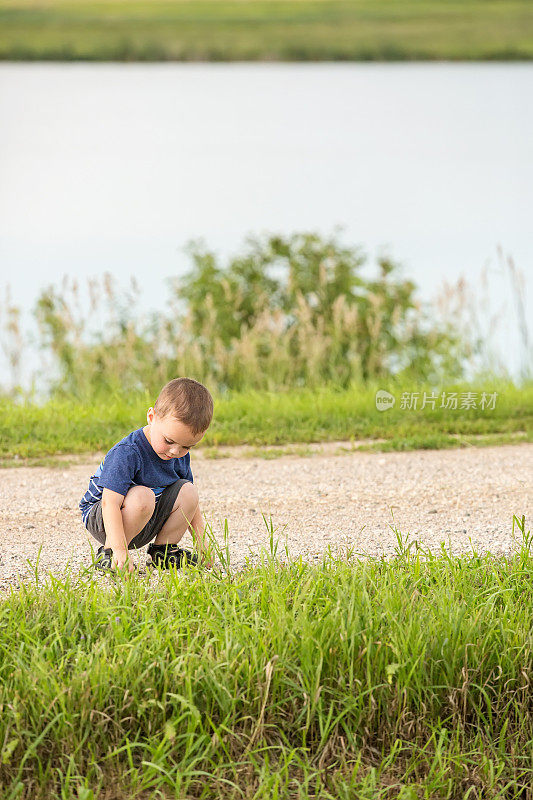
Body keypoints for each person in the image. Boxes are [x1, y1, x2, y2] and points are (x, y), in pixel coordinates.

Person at [79, 377, 214, 574]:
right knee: (143, 495)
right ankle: (109, 554)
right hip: (103, 516)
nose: (175, 451)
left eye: (187, 446)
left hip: (144, 513)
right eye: (169, 441)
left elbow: (192, 507)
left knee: (189, 491)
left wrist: (202, 542)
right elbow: (109, 502)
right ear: (151, 417)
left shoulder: (178, 454)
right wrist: (119, 548)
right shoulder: (128, 452)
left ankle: (163, 552)